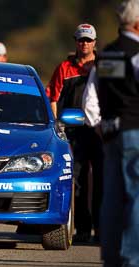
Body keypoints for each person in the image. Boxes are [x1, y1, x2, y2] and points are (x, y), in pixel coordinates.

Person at [84, 1, 139, 265]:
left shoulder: (106, 55)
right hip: (135, 132)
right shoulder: (137, 54)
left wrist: (99, 125)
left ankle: (111, 257)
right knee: (136, 198)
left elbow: (91, 97)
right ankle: (132, 258)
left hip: (110, 133)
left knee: (112, 198)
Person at [46, 23, 103, 243]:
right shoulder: (64, 68)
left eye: (89, 40)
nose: (85, 44)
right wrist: (57, 126)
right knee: (77, 182)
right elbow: (53, 97)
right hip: (74, 133)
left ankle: (101, 229)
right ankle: (82, 229)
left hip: (98, 130)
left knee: (101, 182)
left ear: (95, 42)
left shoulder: (104, 65)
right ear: (76, 42)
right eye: (81, 40)